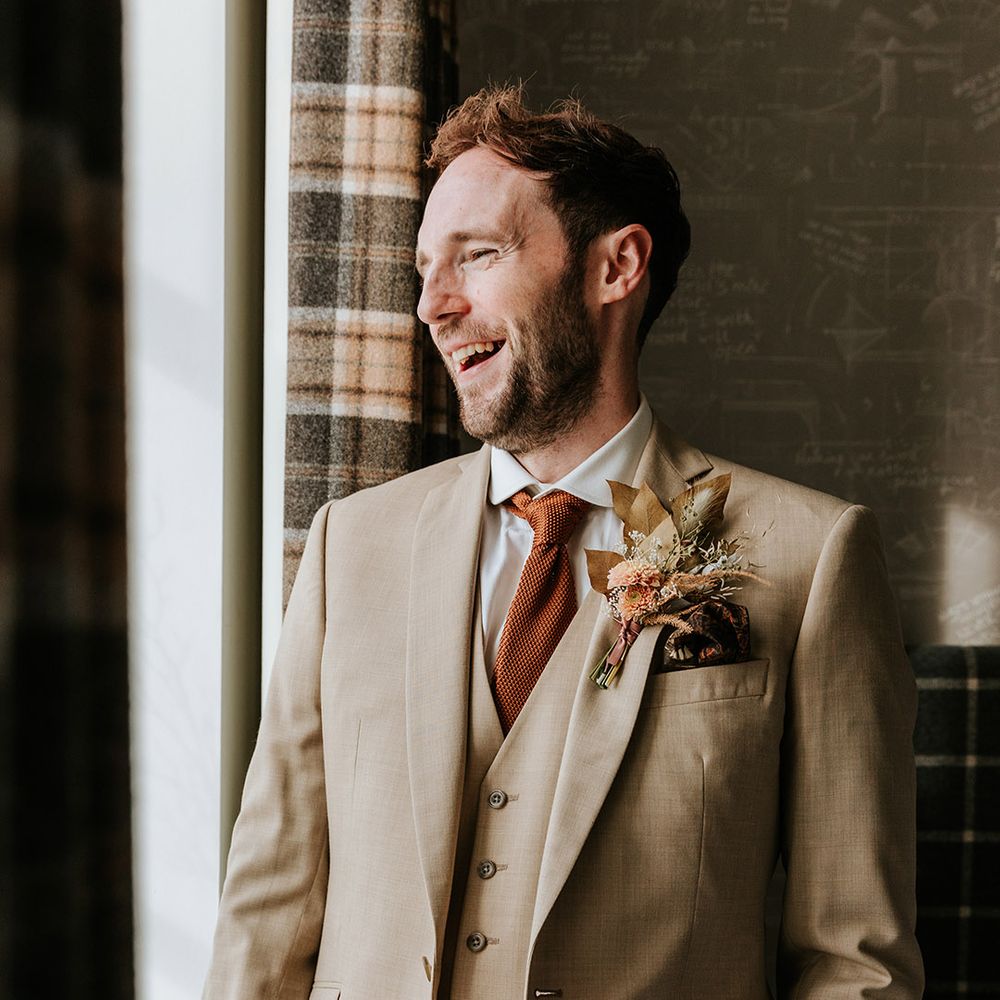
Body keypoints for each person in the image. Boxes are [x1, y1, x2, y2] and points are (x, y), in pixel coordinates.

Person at [204, 87, 923, 999]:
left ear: (617, 267)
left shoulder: (812, 558)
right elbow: (269, 911)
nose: (434, 305)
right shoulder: (354, 546)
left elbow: (852, 962)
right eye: (425, 269)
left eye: (480, 256)